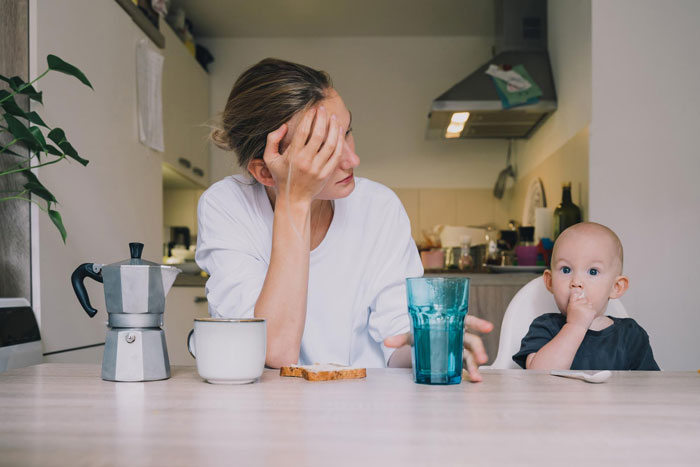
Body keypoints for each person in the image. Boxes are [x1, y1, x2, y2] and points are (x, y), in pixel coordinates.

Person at [195, 58, 493, 381]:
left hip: (366, 411)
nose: (353, 159)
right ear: (265, 171)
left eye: (347, 132)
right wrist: (295, 200)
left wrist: (433, 342)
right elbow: (273, 352)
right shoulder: (226, 208)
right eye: (325, 149)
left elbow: (395, 341)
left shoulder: (379, 208)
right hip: (269, 418)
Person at [513, 222, 659, 370]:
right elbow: (537, 377)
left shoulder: (630, 335)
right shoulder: (544, 327)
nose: (576, 282)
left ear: (616, 287)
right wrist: (575, 326)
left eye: (593, 272)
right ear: (550, 282)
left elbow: (648, 386)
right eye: (566, 269)